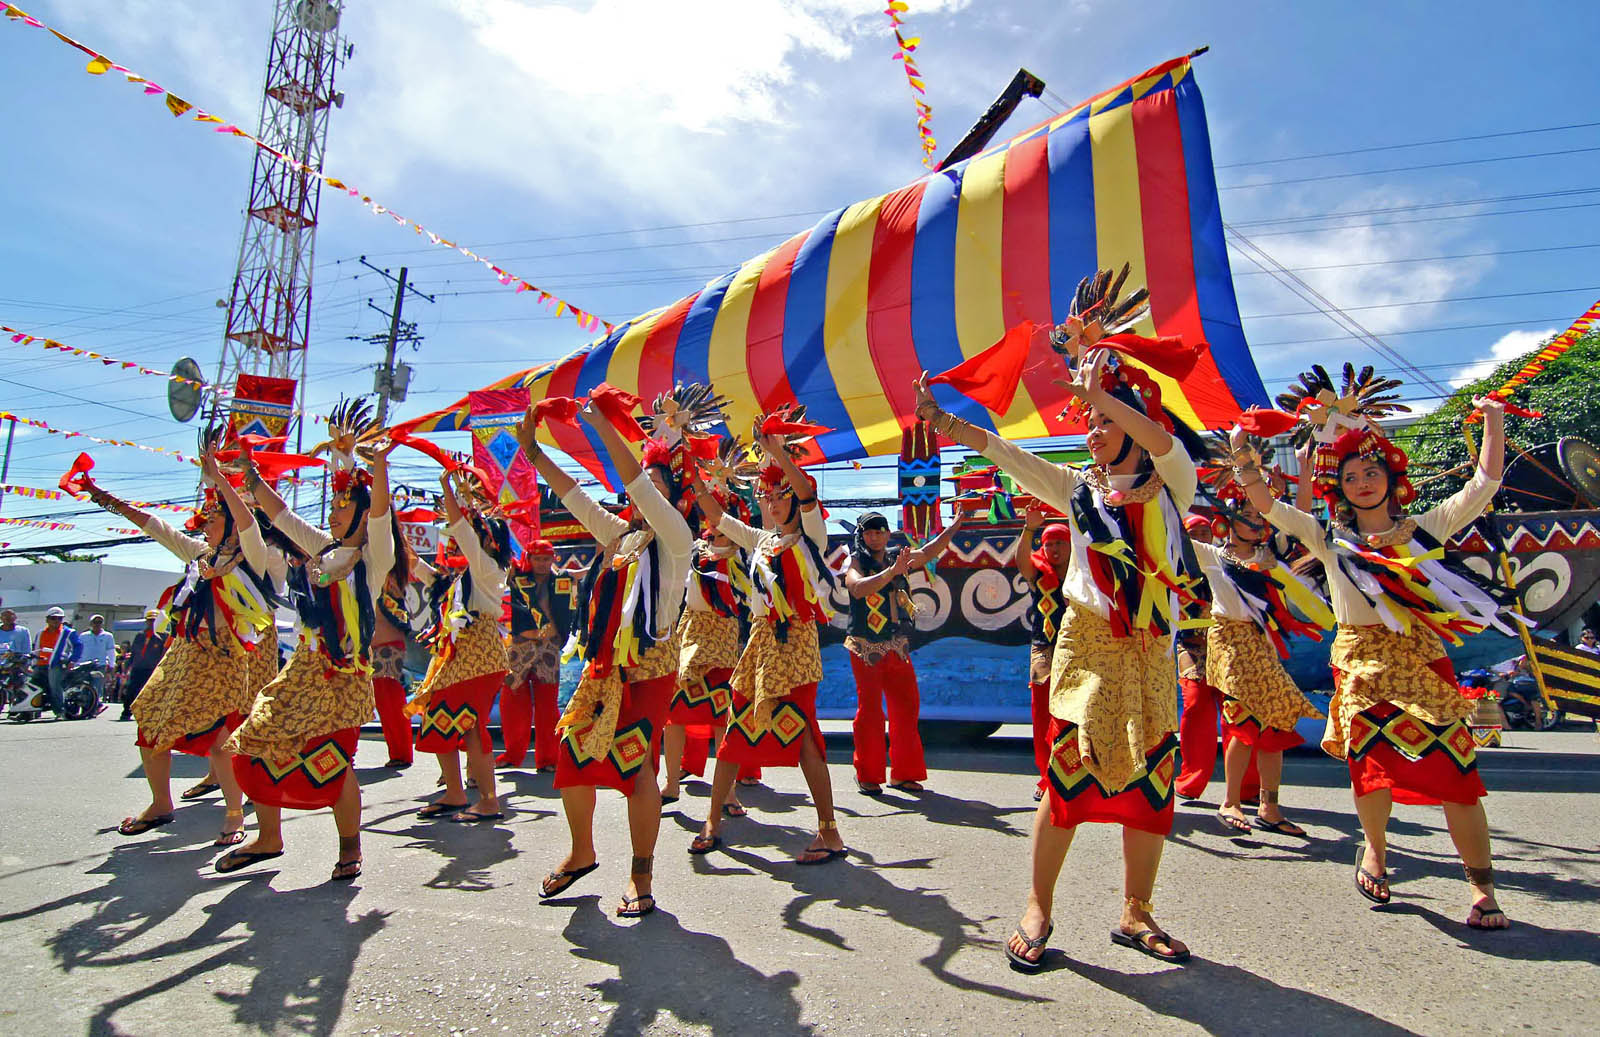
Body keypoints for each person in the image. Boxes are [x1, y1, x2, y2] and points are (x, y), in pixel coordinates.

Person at [914, 281, 1210, 970]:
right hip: (1086, 643)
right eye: (1089, 420)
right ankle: (1038, 903)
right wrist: (945, 421)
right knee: (1067, 772)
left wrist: (1101, 382)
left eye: (1105, 420)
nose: (1092, 427)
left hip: (1148, 651)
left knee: (1152, 779)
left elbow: (1162, 440)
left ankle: (1136, 910)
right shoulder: (1078, 491)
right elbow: (1005, 454)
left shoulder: (1175, 483)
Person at [1229, 373, 1512, 931]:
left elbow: (1485, 483)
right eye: (1352, 475)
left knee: (1457, 774)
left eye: (1371, 472)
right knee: (1369, 769)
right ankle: (1376, 849)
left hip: (1421, 661)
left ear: (1391, 478)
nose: (1361, 481)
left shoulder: (1425, 530)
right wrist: (1242, 453)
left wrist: (1494, 418)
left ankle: (1481, 886)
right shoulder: (1327, 536)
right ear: (1340, 487)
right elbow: (1265, 504)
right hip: (1359, 662)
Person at [517, 392, 695, 918]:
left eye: (659, 488)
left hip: (648, 673)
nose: (646, 496)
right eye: (644, 489)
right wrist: (533, 453)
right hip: (604, 670)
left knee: (636, 770)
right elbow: (572, 495)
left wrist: (605, 431)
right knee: (574, 756)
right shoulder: (621, 536)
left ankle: (641, 876)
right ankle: (582, 851)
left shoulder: (678, 540)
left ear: (676, 499)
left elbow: (640, 484)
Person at [220, 401, 399, 881]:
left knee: (333, 763)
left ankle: (350, 849)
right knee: (254, 741)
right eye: (334, 509)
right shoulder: (322, 549)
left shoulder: (375, 559)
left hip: (343, 679)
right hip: (300, 670)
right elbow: (277, 513)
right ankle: (269, 837)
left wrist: (375, 464)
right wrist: (248, 475)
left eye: (346, 508)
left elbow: (379, 513)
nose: (336, 515)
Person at [82, 455, 276, 846]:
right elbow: (156, 527)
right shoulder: (198, 555)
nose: (205, 523)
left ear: (232, 526)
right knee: (150, 729)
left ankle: (235, 815)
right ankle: (160, 804)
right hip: (183, 654)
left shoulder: (253, 558)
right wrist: (101, 496)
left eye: (213, 517)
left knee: (223, 741)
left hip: (224, 658)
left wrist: (219, 479)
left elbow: (249, 525)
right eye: (203, 518)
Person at [685, 410, 847, 866]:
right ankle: (713, 819)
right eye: (767, 496)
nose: (774, 503)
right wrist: (692, 474)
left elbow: (808, 493)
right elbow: (716, 514)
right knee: (737, 729)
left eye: (781, 496)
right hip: (757, 643)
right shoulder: (759, 541)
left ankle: (829, 831)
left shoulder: (811, 535)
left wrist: (775, 453)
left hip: (795, 642)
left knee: (806, 738)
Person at [1192, 451, 1334, 839]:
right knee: (1241, 721)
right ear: (1231, 522)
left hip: (1263, 645)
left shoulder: (1273, 558)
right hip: (1228, 645)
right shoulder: (1212, 557)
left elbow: (1300, 516)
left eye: (1261, 518)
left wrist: (1305, 471)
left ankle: (1270, 806)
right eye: (1251, 517)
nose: (1259, 523)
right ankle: (1231, 800)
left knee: (1274, 723)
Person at [409, 467, 512, 823]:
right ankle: (454, 793)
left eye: (475, 536)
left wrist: (448, 492)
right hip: (457, 658)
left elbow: (463, 533)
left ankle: (488, 799)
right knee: (439, 717)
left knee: (470, 725)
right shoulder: (465, 577)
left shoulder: (487, 570)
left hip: (479, 658)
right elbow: (427, 575)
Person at [845, 509, 962, 795]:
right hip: (865, 645)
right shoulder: (856, 560)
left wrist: (956, 524)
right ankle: (869, 775)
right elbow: (857, 588)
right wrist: (891, 572)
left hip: (896, 643)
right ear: (862, 536)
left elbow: (930, 551)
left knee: (906, 709)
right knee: (871, 712)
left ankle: (904, 774)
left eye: (879, 532)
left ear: (887, 534)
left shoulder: (896, 556)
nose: (874, 537)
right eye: (869, 533)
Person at [661, 514, 750, 810]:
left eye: (721, 533)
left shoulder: (743, 557)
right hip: (691, 635)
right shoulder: (694, 551)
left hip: (723, 636)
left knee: (723, 718)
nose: (713, 536)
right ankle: (671, 783)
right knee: (675, 714)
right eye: (711, 532)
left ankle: (728, 791)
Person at [498, 539, 575, 771]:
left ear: (553, 559)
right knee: (512, 702)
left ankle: (548, 759)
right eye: (537, 559)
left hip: (548, 647)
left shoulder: (562, 581)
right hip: (520, 646)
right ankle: (512, 754)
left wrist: (561, 636)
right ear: (529, 559)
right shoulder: (518, 579)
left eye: (546, 559)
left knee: (547, 706)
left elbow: (569, 610)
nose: (542, 563)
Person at [1012, 507, 1067, 798]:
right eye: (1049, 543)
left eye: (1060, 543)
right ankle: (1047, 776)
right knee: (1042, 713)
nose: (1054, 549)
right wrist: (1029, 529)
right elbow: (1021, 561)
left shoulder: (1084, 574)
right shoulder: (1038, 573)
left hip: (1079, 650)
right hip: (1044, 647)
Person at [32, 607, 83, 719]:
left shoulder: (68, 633)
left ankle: (59, 712)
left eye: (59, 619)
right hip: (39, 664)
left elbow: (78, 646)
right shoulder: (40, 633)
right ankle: (33, 711)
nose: (56, 621)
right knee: (33, 686)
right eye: (53, 618)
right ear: (47, 619)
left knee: (54, 687)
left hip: (56, 664)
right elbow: (35, 647)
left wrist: (73, 660)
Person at [80, 614, 117, 701]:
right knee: (84, 686)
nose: (97, 624)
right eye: (95, 622)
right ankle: (85, 707)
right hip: (85, 665)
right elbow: (79, 650)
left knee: (97, 687)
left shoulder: (108, 636)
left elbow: (111, 651)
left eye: (99, 622)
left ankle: (95, 706)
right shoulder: (83, 636)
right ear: (91, 623)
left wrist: (111, 665)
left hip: (100, 665)